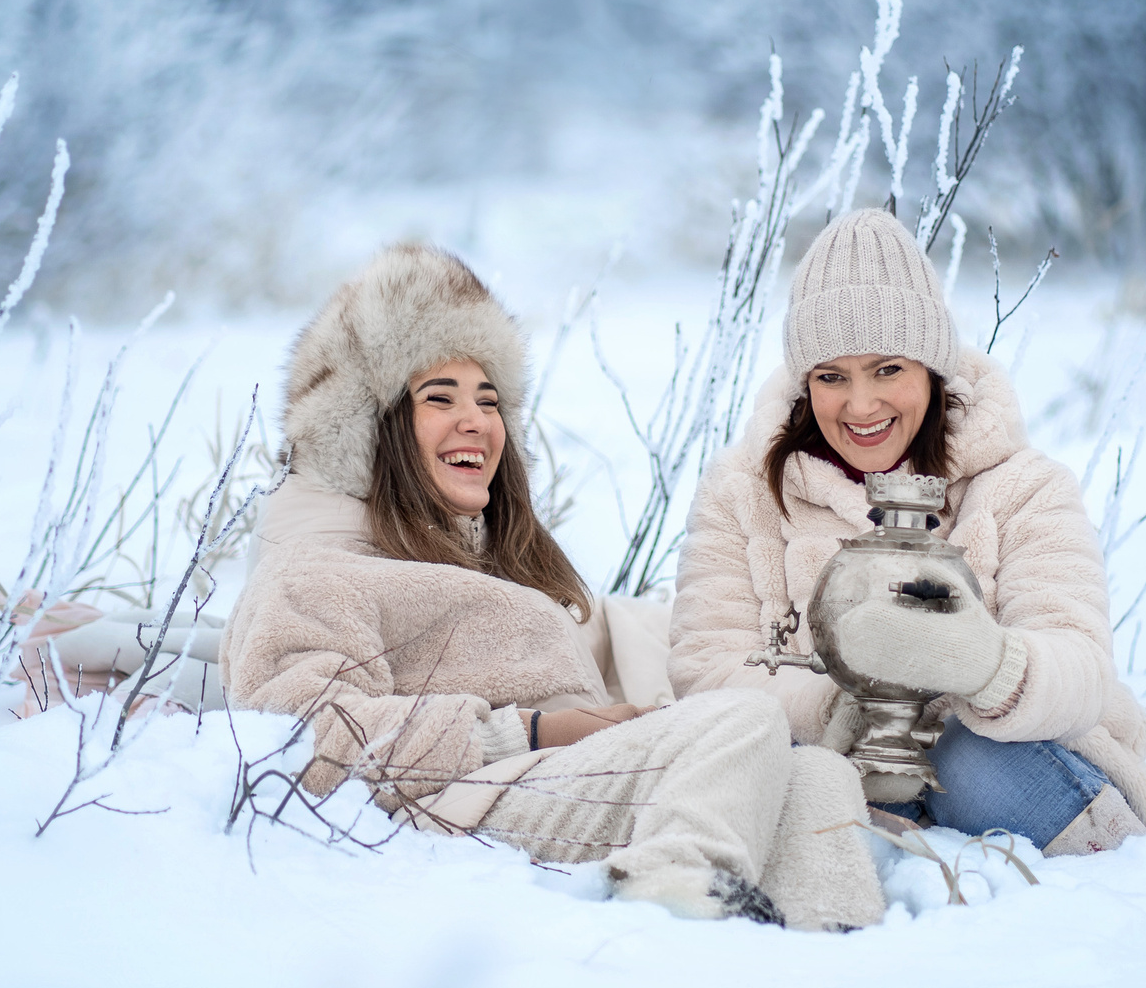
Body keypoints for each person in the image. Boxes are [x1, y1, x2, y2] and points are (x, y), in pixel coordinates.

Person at [223, 242, 885, 930]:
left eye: (489, 399)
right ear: (372, 429)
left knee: (815, 774)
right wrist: (529, 732)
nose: (477, 419)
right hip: (472, 801)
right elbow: (296, 734)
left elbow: (617, 632)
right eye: (439, 396)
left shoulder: (469, 556)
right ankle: (672, 889)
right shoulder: (314, 567)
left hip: (569, 776)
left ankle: (827, 954)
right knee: (743, 719)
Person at [669, 209, 1146, 854]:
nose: (861, 405)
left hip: (1002, 764)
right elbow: (706, 667)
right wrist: (832, 710)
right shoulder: (743, 489)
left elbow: (1083, 666)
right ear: (804, 382)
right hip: (828, 763)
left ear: (932, 369)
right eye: (831, 376)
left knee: (973, 760)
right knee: (790, 771)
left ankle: (1108, 880)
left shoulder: (1026, 486)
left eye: (888, 370)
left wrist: (989, 665)